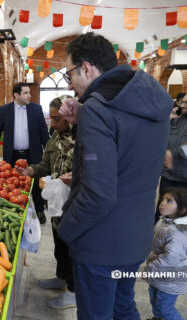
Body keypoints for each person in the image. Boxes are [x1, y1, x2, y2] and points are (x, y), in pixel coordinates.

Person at [57, 32, 172, 319]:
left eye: (70, 73)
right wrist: (81, 118)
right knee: (123, 306)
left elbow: (98, 194)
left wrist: (67, 231)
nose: (69, 83)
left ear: (86, 68)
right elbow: (128, 149)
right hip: (135, 237)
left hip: (101, 244)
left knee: (97, 313)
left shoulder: (98, 109)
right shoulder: (148, 99)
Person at [18, 96, 76, 309]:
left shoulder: (85, 136)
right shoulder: (54, 137)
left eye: (57, 119)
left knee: (72, 245)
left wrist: (77, 176)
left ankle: (73, 291)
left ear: (70, 118)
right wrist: (30, 170)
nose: (53, 124)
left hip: (77, 200)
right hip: (58, 199)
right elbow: (45, 164)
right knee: (59, 240)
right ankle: (61, 278)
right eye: (51, 118)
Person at [0, 82, 49, 223]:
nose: (29, 95)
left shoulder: (36, 109)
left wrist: (49, 152)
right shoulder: (5, 110)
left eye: (29, 92)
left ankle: (40, 210)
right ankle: (14, 211)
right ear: (16, 95)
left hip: (32, 153)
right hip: (12, 154)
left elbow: (43, 132)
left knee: (35, 184)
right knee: (12, 182)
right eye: (26, 93)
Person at [144, 187, 187, 320]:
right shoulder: (164, 220)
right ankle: (158, 318)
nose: (162, 203)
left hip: (170, 279)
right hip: (159, 275)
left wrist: (150, 269)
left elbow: (171, 259)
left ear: (182, 209)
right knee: (155, 301)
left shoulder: (179, 233)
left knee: (165, 307)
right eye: (163, 199)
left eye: (169, 201)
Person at [156, 94, 187, 221]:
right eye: (182, 102)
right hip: (168, 175)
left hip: (184, 178)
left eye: (186, 103)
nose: (183, 105)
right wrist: (168, 119)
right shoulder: (176, 119)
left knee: (181, 214)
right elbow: (157, 137)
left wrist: (173, 153)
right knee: (162, 210)